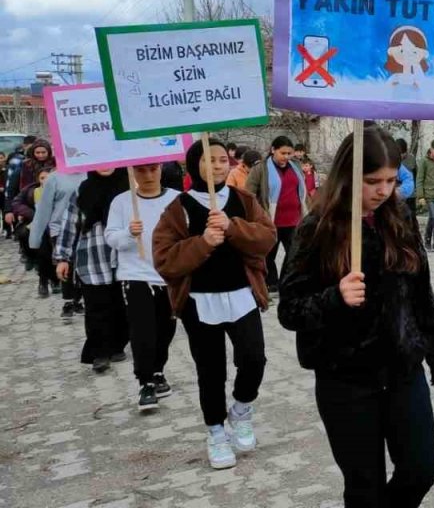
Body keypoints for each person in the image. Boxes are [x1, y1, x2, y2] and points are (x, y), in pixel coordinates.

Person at [279, 127, 434, 507]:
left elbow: (421, 291)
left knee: (422, 467)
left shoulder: (400, 217)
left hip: (403, 370)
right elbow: (289, 309)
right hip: (346, 380)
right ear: (348, 176)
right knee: (364, 487)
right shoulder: (317, 228)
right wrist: (334, 298)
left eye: (391, 180)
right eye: (373, 181)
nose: (383, 190)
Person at [153, 139, 276, 470]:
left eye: (223, 160)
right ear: (194, 166)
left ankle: (241, 408)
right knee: (211, 371)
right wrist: (203, 242)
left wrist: (233, 227)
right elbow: (164, 260)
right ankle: (216, 432)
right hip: (199, 302)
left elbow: (268, 237)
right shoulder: (178, 208)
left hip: (242, 295)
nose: (219, 165)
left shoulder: (243, 200)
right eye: (210, 160)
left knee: (253, 359)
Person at [106, 163, 182, 410]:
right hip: (135, 274)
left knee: (165, 328)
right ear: (133, 172)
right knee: (142, 330)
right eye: (141, 170)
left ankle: (158, 370)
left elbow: (188, 232)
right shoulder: (122, 202)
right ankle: (145, 381)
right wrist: (128, 233)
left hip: (168, 275)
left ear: (161, 169)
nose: (148, 175)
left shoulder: (176, 199)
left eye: (152, 169)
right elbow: (111, 237)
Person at [53, 168, 130, 373]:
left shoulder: (130, 188)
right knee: (96, 307)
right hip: (92, 258)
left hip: (126, 257)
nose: (105, 166)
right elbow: (69, 225)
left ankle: (118, 345)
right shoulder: (83, 190)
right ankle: (99, 352)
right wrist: (62, 257)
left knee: (120, 305)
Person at [247, 136, 307, 291]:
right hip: (270, 220)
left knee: (294, 253)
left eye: (289, 153)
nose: (286, 157)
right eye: (283, 153)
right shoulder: (260, 169)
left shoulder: (296, 166)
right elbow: (249, 194)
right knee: (269, 255)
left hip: (293, 220)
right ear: (273, 150)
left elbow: (301, 191)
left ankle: (285, 280)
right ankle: (272, 282)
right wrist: (257, 214)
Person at [30, 166, 86, 309]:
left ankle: (80, 298)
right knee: (66, 263)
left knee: (83, 263)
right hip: (59, 228)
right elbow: (44, 208)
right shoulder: (54, 178)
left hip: (85, 227)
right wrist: (35, 238)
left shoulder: (91, 173)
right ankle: (68, 299)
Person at [397, 138, 418, 215]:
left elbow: (416, 174)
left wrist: (416, 189)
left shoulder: (411, 158)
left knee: (412, 215)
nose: (402, 156)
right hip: (398, 193)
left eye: (403, 153)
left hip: (410, 194)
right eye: (400, 153)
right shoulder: (392, 159)